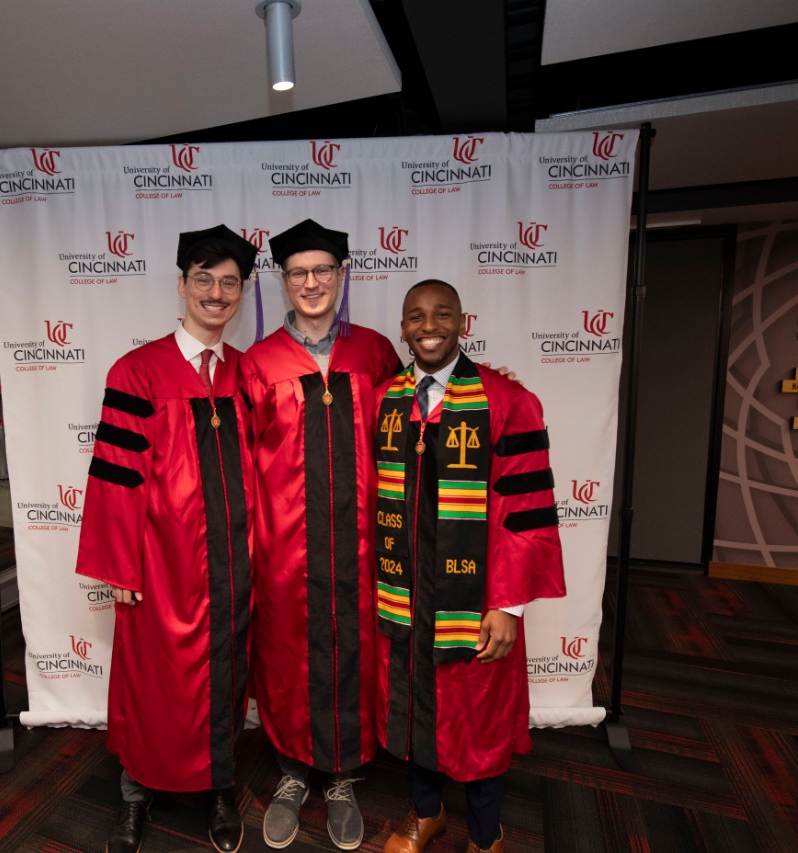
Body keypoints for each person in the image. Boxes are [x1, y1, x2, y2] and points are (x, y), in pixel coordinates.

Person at [75, 225, 259, 853]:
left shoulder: (247, 372)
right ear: (180, 285)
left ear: (241, 292)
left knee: (225, 678)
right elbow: (114, 478)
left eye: (229, 282)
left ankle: (218, 789)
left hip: (234, 566)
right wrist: (119, 565)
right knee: (152, 681)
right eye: (203, 279)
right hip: (159, 564)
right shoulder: (137, 371)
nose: (216, 293)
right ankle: (134, 793)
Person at [375, 280, 566, 853]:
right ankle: (426, 813)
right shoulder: (389, 399)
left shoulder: (506, 400)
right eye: (415, 316)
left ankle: (486, 835)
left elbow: (524, 514)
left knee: (476, 715)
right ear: (403, 328)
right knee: (416, 708)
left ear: (462, 321)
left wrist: (507, 606)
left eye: (441, 314)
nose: (427, 325)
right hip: (407, 593)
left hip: (475, 594)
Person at [240, 219, 402, 850]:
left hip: (361, 543)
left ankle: (339, 775)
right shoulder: (258, 363)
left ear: (341, 275)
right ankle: (291, 770)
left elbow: (406, 435)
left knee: (355, 652)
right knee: (285, 657)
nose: (311, 283)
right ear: (284, 281)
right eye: (298, 273)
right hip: (286, 545)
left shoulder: (375, 351)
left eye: (323, 271)